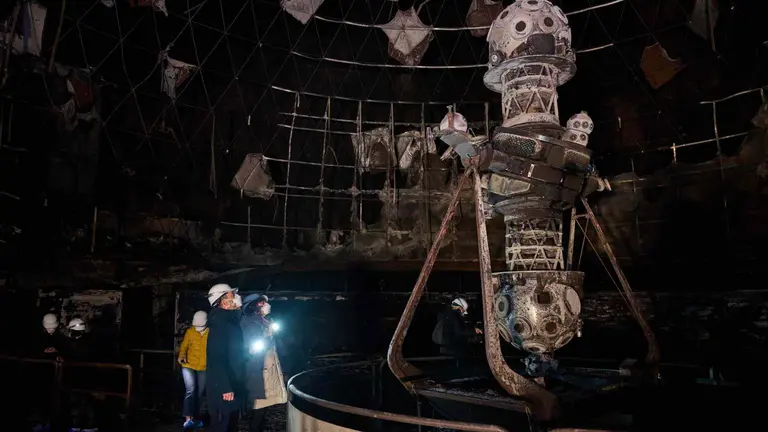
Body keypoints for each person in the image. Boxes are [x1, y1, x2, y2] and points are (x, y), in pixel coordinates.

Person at [240, 296, 287, 432]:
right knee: (258, 409)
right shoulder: (248, 323)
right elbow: (253, 349)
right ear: (254, 307)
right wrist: (268, 337)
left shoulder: (265, 321)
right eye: (262, 302)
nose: (267, 304)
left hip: (268, 369)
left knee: (263, 409)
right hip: (258, 372)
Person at [205, 284, 245, 432]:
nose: (236, 297)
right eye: (231, 295)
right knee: (223, 425)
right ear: (222, 301)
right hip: (223, 388)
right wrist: (225, 387)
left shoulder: (229, 322)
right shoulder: (219, 323)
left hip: (232, 382)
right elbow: (216, 358)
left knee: (231, 425)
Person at [178, 310, 209, 430]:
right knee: (190, 390)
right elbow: (184, 346)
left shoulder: (210, 333)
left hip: (203, 366)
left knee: (200, 393)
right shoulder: (190, 332)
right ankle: (187, 419)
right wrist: (181, 356)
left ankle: (195, 417)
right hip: (188, 365)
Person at [432, 298, 482, 365]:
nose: (464, 312)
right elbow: (459, 331)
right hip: (450, 346)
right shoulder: (454, 316)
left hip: (446, 346)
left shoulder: (449, 313)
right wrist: (474, 331)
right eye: (463, 309)